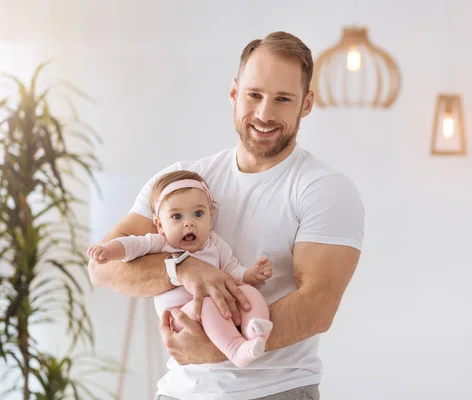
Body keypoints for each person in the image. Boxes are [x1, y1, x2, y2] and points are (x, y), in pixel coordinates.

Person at [88, 30, 365, 400]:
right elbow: (102, 267)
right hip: (178, 391)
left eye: (283, 99)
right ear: (234, 93)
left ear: (307, 104)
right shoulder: (180, 183)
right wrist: (182, 267)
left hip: (275, 391)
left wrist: (220, 350)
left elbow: (317, 306)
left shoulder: (325, 189)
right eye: (254, 95)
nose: (265, 114)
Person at [86, 170, 274, 368]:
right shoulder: (162, 243)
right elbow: (131, 245)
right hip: (181, 316)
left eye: (198, 214)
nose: (189, 222)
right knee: (207, 304)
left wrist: (251, 274)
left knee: (248, 292)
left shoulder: (215, 244)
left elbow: (232, 269)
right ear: (159, 224)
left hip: (216, 306)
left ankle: (255, 331)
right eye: (176, 216)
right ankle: (235, 349)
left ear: (211, 218)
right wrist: (108, 250)